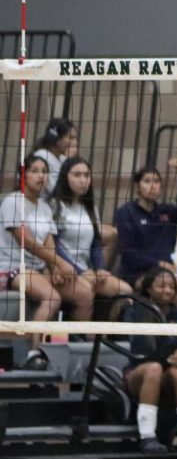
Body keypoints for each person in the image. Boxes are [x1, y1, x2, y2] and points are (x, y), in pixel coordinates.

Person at [0, 153, 93, 367]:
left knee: (85, 293)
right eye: (35, 171)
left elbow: (49, 241)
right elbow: (27, 242)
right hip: (13, 267)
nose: (40, 176)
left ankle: (75, 347)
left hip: (39, 268)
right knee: (51, 297)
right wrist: (59, 263)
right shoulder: (13, 201)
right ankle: (34, 353)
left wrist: (54, 268)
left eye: (44, 171)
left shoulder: (43, 206)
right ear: (22, 175)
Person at [122, 268, 177, 454]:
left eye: (172, 287)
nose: (168, 290)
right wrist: (168, 353)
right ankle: (147, 437)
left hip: (167, 374)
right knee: (154, 368)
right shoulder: (135, 312)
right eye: (162, 286)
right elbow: (142, 352)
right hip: (138, 374)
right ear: (149, 289)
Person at [50, 155, 132, 307]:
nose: (83, 180)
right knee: (86, 292)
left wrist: (100, 268)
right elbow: (54, 246)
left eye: (86, 175)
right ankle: (79, 331)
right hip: (62, 270)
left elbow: (95, 243)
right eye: (77, 175)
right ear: (64, 177)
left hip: (85, 270)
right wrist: (80, 270)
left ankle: (107, 331)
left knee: (125, 290)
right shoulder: (56, 206)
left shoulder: (89, 208)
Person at [114, 160, 177, 284]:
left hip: (167, 271)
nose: (153, 185)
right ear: (137, 187)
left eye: (157, 181)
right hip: (139, 273)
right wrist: (158, 264)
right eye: (147, 181)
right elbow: (127, 252)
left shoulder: (167, 211)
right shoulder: (126, 212)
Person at [33, 118, 76, 197]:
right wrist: (68, 162)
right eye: (71, 138)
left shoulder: (62, 158)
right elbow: (56, 191)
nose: (74, 143)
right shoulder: (41, 157)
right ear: (58, 139)